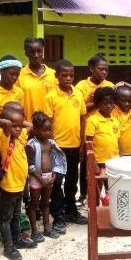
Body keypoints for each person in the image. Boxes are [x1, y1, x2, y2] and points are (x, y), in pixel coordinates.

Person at [44, 59, 87, 227]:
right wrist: (50, 145)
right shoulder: (51, 96)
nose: (68, 78)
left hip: (74, 145)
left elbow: (82, 119)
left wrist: (82, 143)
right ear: (57, 76)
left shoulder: (78, 94)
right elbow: (48, 122)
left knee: (71, 180)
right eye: (64, 75)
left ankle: (71, 211)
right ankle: (58, 215)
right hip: (57, 147)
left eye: (71, 75)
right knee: (56, 182)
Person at [0, 103, 37, 260]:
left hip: (20, 185)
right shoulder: (3, 138)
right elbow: (5, 125)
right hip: (8, 186)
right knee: (5, 218)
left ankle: (17, 238)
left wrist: (18, 120)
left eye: (20, 125)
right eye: (14, 126)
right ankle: (8, 246)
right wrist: (1, 118)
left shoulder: (20, 138)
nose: (19, 129)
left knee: (16, 215)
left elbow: (30, 125)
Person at [76, 54, 114, 206]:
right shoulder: (81, 86)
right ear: (91, 69)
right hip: (88, 127)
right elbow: (80, 109)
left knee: (105, 168)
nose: (104, 72)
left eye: (106, 69)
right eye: (101, 69)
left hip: (105, 128)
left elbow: (112, 104)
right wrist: (96, 103)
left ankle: (106, 196)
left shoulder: (110, 85)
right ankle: (84, 195)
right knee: (88, 163)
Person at [26, 112, 67, 241]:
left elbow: (55, 159)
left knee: (46, 203)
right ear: (36, 130)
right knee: (34, 204)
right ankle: (34, 231)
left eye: (50, 130)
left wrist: (54, 174)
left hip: (48, 177)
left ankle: (47, 228)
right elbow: (30, 165)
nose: (48, 132)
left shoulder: (51, 143)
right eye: (45, 130)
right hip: (36, 178)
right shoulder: (31, 144)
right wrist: (40, 179)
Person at [85, 87, 120, 205]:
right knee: (96, 190)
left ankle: (110, 214)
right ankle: (95, 215)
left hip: (113, 162)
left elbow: (116, 142)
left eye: (111, 103)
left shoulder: (115, 121)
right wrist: (94, 164)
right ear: (98, 104)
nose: (109, 106)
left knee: (112, 190)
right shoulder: (92, 120)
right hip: (98, 162)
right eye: (105, 103)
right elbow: (88, 143)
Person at [17, 37, 57, 122]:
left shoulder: (53, 74)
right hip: (27, 125)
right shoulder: (19, 75)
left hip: (48, 126)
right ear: (26, 53)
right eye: (32, 52)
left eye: (39, 51)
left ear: (43, 51)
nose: (36, 55)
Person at [0, 55, 24, 134]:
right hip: (0, 134)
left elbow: (21, 113)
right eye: (12, 74)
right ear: (1, 71)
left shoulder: (19, 92)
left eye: (17, 74)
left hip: (16, 134)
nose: (14, 77)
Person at [112, 81, 131, 156]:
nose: (127, 103)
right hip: (116, 151)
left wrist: (124, 83)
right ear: (116, 101)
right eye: (123, 101)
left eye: (130, 101)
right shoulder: (113, 110)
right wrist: (113, 89)